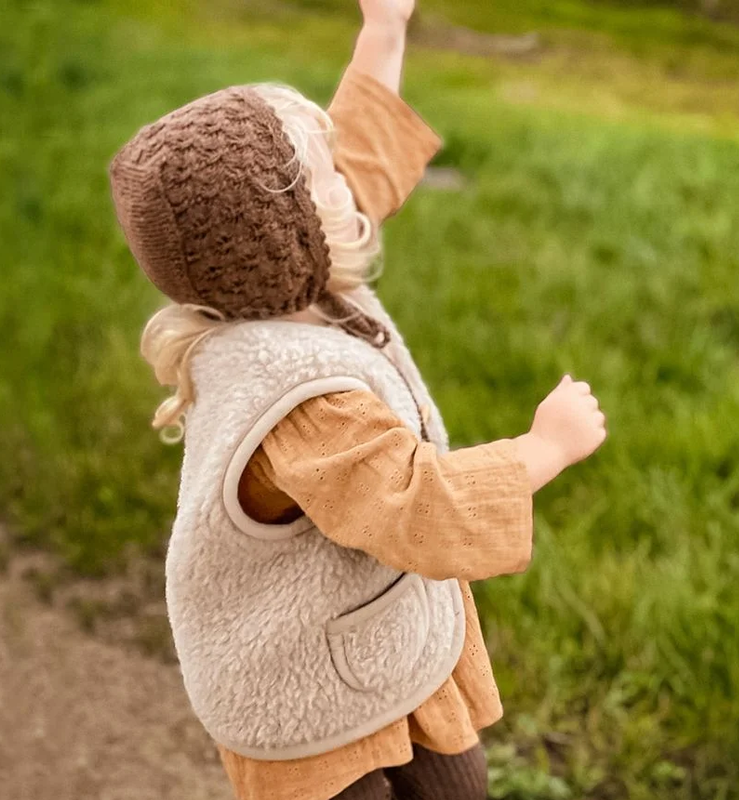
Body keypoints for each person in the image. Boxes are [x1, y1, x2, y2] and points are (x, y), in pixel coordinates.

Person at [108, 1, 607, 798]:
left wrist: (385, 29)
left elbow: (366, 154)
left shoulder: (286, 282)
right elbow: (418, 506)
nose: (353, 178)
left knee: (457, 779)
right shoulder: (300, 403)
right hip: (296, 681)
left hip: (367, 632)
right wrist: (545, 446)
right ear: (292, 234)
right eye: (329, 177)